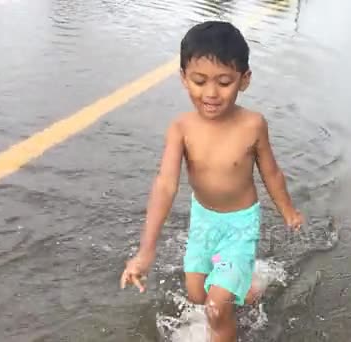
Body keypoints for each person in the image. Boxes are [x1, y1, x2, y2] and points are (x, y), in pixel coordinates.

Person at [120, 20, 304, 342]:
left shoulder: (253, 125)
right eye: (199, 81)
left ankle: (235, 292)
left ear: (244, 80)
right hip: (203, 222)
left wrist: (287, 210)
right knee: (196, 297)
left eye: (224, 82)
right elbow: (165, 184)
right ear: (183, 79)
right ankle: (250, 287)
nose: (211, 93)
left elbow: (271, 172)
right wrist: (146, 251)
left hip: (240, 225)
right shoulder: (181, 128)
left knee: (217, 308)